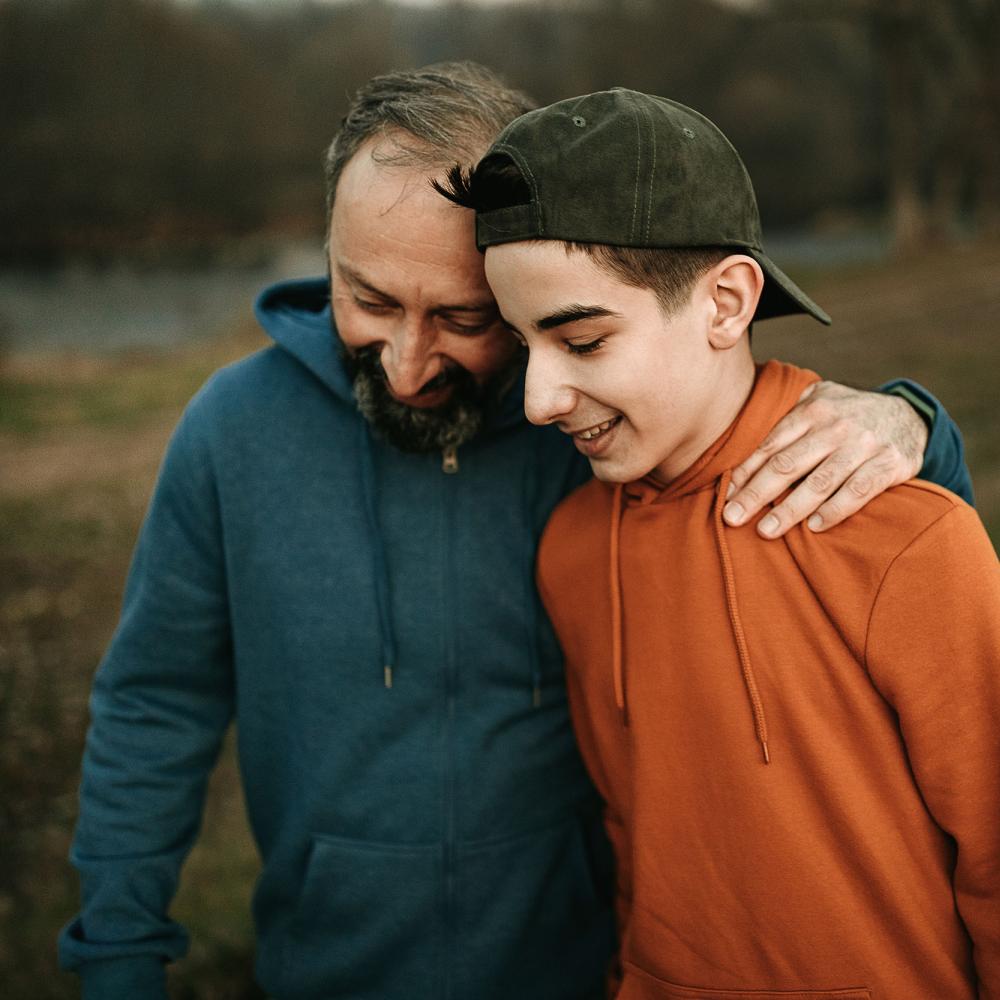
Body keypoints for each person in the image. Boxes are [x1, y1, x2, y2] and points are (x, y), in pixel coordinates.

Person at [58, 64, 972, 1000]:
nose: (410, 367)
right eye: (369, 300)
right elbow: (154, 704)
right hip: (328, 972)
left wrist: (917, 427)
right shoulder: (231, 433)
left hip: (574, 972)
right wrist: (119, 957)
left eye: (463, 319)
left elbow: (766, 471)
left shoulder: (591, 439)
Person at [447, 87, 999, 998]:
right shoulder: (572, 552)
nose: (539, 400)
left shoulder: (904, 537)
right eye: (521, 345)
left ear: (727, 303)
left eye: (581, 340)